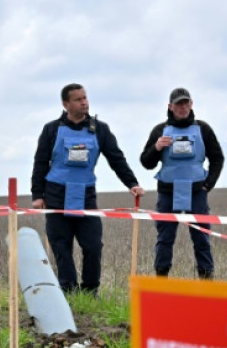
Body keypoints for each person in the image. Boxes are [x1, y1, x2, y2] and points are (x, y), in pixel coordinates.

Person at [31, 83, 144, 295]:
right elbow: (40, 163)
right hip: (56, 195)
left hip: (85, 196)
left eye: (85, 98)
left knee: (92, 245)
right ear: (66, 104)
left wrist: (132, 183)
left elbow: (116, 159)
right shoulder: (51, 129)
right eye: (78, 99)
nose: (84, 102)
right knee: (61, 247)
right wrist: (37, 195)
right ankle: (69, 290)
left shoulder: (100, 129)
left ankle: (91, 291)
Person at [140, 88, 224, 279]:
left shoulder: (203, 129)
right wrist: (157, 147)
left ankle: (206, 279)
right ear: (170, 107)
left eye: (186, 103)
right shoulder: (160, 131)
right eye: (178, 103)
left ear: (191, 104)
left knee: (201, 237)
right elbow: (146, 162)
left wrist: (207, 186)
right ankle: (161, 280)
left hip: (197, 192)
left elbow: (217, 158)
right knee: (165, 239)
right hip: (168, 193)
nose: (183, 107)